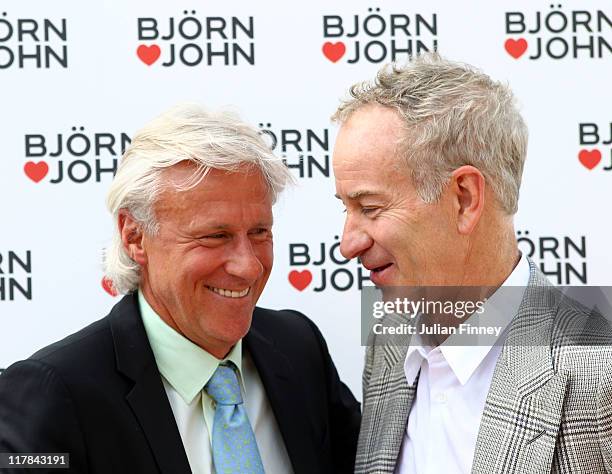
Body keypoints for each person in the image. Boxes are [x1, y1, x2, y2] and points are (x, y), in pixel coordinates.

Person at [0, 104, 360, 474]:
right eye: (215, 236)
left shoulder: (298, 349)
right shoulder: (54, 393)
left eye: (259, 233)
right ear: (135, 236)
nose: (248, 265)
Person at [331, 53, 612, 473]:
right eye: (345, 208)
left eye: (370, 207)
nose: (347, 244)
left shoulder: (599, 374)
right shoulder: (388, 344)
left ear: (465, 199)